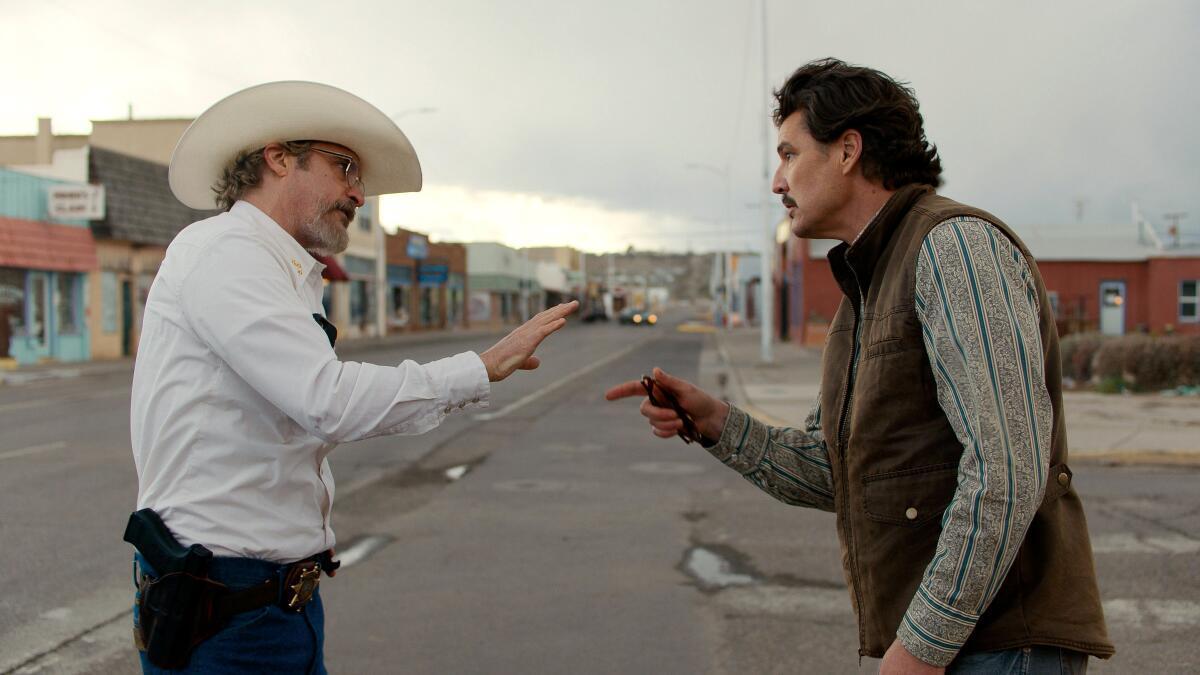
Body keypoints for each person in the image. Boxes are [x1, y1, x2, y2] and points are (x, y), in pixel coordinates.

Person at [607, 59, 1113, 674]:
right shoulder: (865, 291)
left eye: (790, 154)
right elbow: (835, 475)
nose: (776, 180)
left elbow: (1007, 467)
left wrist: (922, 648)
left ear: (848, 150)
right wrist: (714, 421)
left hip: (1002, 647)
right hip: (960, 648)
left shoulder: (952, 248)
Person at [128, 81, 577, 673]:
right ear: (279, 157)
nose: (359, 193)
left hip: (267, 603)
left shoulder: (280, 269)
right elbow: (327, 400)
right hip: (226, 610)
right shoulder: (227, 253)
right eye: (344, 167)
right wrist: (480, 368)